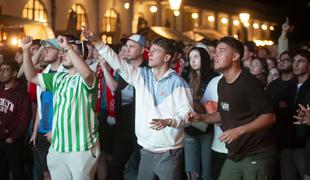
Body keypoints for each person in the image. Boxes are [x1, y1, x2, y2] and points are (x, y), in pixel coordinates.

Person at [83, 29, 193, 180]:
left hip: (169, 151)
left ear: (167, 57)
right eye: (151, 50)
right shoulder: (141, 76)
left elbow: (188, 115)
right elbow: (117, 62)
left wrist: (170, 121)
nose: (151, 53)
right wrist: (98, 43)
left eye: (156, 51)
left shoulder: (179, 83)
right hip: (146, 149)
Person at [188, 37, 277, 180]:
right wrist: (201, 117)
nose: (215, 55)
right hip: (235, 154)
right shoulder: (222, 83)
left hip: (257, 153)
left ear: (235, 56)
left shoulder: (250, 83)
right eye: (215, 52)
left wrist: (239, 131)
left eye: (221, 51)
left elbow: (269, 117)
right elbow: (223, 114)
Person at [21, 35, 100, 180]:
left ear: (80, 55)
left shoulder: (88, 78)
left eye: (69, 50)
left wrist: (67, 47)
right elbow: (31, 76)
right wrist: (26, 51)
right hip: (57, 148)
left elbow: (87, 74)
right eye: (63, 51)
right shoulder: (58, 78)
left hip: (81, 149)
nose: (64, 53)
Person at [29, 38, 65, 180]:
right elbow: (41, 105)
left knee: (59, 174)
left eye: (50, 48)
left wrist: (55, 130)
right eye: (44, 48)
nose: (45, 51)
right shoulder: (44, 74)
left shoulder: (66, 74)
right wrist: (34, 131)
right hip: (43, 131)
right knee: (46, 174)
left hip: (59, 132)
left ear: (60, 52)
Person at [184, 47, 216, 180]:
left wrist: (190, 101)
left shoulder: (213, 78)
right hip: (190, 127)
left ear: (204, 58)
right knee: (192, 172)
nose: (193, 60)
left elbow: (212, 106)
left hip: (207, 128)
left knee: (207, 172)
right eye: (190, 58)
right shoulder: (187, 77)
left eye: (196, 56)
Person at [0, 59, 32, 180]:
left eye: (5, 70)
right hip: (0, 140)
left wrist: (12, 137)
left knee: (17, 173)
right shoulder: (0, 90)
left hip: (13, 141)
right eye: (0, 70)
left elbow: (24, 118)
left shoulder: (22, 93)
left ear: (14, 73)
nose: (1, 73)